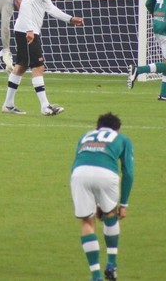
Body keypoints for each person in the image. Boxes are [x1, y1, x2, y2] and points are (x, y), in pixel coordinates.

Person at [1, 0, 84, 116]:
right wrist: (30, 29)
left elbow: (50, 8)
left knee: (21, 66)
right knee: (38, 66)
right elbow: (26, 3)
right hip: (27, 30)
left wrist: (70, 19)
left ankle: (8, 105)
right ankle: (45, 106)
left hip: (26, 29)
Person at [70, 111, 134, 281]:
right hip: (106, 174)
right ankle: (112, 264)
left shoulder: (85, 136)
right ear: (118, 129)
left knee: (87, 221)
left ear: (97, 127)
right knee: (110, 214)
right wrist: (124, 204)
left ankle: (96, 276)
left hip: (79, 174)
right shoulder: (123, 139)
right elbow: (128, 172)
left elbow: (76, 161)